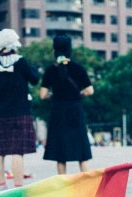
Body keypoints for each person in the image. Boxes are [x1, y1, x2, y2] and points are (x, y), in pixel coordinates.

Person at [0, 28, 39, 190]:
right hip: (20, 112)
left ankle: (2, 186)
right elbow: (35, 79)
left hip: (1, 113)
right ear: (13, 44)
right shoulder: (21, 62)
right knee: (18, 151)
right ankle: (18, 187)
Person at [39, 35, 93, 175]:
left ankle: (63, 185)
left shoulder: (51, 70)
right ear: (70, 50)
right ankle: (85, 184)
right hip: (75, 110)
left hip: (58, 112)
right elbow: (90, 90)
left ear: (55, 50)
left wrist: (53, 96)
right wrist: (79, 94)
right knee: (82, 153)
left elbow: (43, 94)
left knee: (60, 153)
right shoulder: (78, 68)